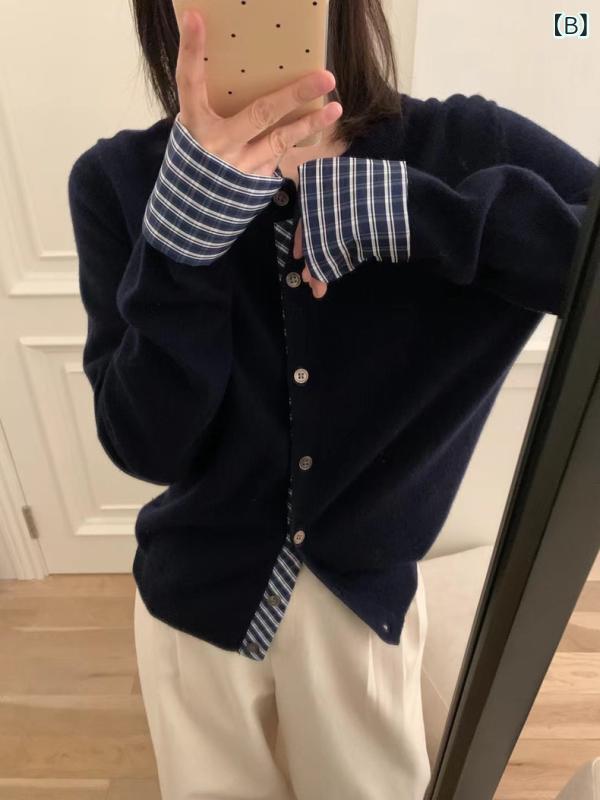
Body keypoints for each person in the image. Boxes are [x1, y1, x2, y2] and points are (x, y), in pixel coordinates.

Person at [67, 1, 598, 798]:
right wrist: (180, 248)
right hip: (192, 604)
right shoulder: (118, 181)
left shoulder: (459, 147)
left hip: (362, 610)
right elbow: (145, 445)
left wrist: (420, 214)